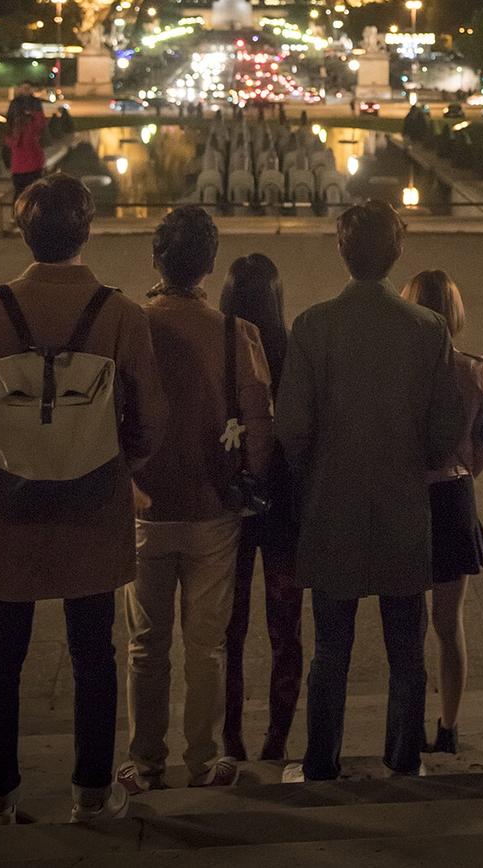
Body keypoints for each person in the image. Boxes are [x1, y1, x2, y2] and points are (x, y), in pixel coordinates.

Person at [0, 173, 168, 828]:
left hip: (9, 513)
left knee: (1, 653)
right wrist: (116, 464)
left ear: (25, 231)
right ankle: (91, 795)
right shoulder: (120, 315)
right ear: (87, 231)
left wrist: (0, 457)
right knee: (94, 652)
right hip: (92, 510)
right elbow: (152, 421)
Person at [275, 200, 462, 782]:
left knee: (331, 647)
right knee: (406, 645)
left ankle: (321, 761)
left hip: (331, 503)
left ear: (341, 250)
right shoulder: (428, 329)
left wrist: (313, 473)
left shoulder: (312, 325)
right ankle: (404, 757)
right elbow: (445, 431)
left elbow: (293, 427)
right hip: (403, 502)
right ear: (396, 253)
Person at [120, 208, 273, 793]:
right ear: (210, 265)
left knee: (144, 645)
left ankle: (145, 761)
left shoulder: (129, 325)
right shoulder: (238, 334)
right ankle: (204, 759)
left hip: (145, 506)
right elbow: (258, 426)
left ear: (155, 259)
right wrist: (248, 478)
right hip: (214, 508)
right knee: (206, 645)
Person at [401, 269, 483, 755]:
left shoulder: (395, 370)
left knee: (407, 621)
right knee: (449, 622)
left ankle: (407, 724)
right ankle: (449, 726)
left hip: (407, 500)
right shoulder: (475, 369)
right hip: (454, 497)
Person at [220, 254, 304, 763]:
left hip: (230, 503)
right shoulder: (292, 348)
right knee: (285, 628)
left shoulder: (220, 342)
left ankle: (230, 737)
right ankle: (277, 736)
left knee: (229, 629)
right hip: (284, 507)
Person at [6, 83, 46, 198]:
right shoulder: (30, 128)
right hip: (32, 166)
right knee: (33, 194)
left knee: (20, 194)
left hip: (20, 167)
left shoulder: (15, 132)